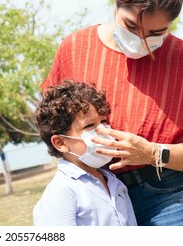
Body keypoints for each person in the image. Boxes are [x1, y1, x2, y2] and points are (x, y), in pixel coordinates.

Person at [41, 0, 183, 226]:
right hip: (97, 191)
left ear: (170, 24)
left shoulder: (180, 59)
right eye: (130, 26)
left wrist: (153, 153)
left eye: (155, 33)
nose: (140, 40)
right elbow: (55, 124)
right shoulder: (75, 48)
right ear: (116, 3)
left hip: (169, 195)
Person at [33, 79, 137, 226]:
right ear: (61, 143)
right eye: (89, 125)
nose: (103, 130)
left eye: (103, 122)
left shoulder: (114, 182)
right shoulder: (62, 192)